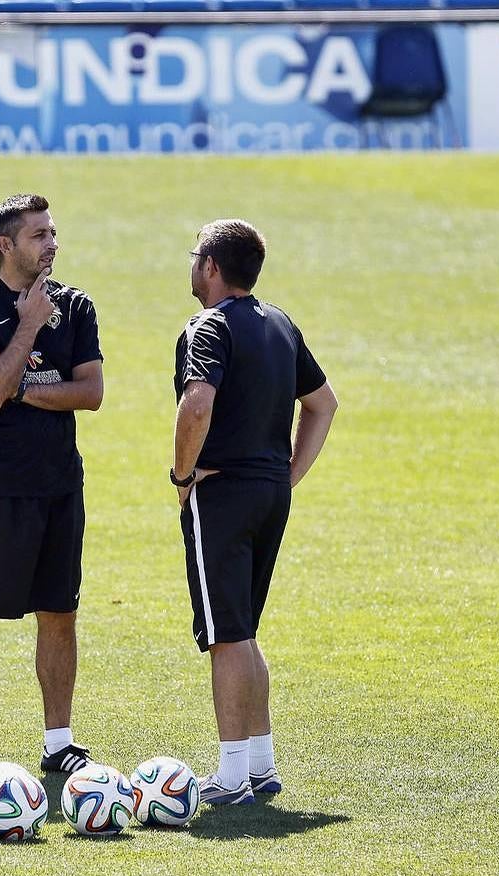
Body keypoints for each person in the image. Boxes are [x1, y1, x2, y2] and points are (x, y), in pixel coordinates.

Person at [171, 219, 338, 804]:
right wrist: (287, 474)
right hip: (271, 492)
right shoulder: (279, 323)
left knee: (226, 636)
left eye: (196, 257)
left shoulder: (207, 327)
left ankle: (231, 775)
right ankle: (262, 765)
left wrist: (184, 475)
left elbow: (197, 405)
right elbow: (323, 404)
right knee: (242, 631)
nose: (192, 266)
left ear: (211, 267)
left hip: (223, 493)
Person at [0, 194, 105, 773]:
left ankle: (59, 743)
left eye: (53, 233)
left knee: (60, 614)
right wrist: (30, 329)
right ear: (5, 246)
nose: (52, 244)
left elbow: (91, 393)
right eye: (38, 236)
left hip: (60, 486)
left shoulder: (77, 307)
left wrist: (15, 380)